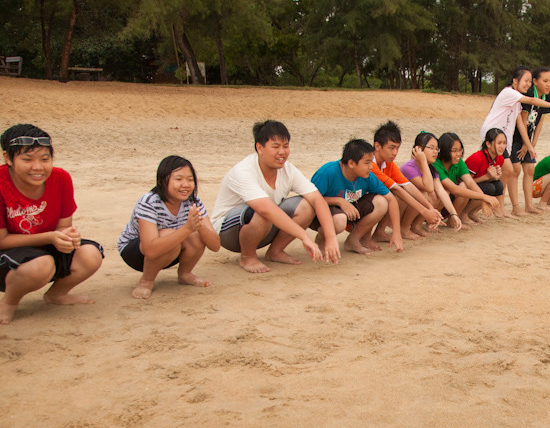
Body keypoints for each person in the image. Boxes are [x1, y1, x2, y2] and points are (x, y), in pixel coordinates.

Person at [0, 124, 103, 324]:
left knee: (90, 254)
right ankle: (9, 303)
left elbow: (63, 226)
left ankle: (57, 295)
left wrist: (67, 236)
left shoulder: (61, 178)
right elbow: (1, 240)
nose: (38, 167)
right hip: (8, 255)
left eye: (45, 159)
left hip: (44, 248)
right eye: (27, 159)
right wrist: (49, 237)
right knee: (41, 264)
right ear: (8, 158)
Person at [211, 120, 337, 273]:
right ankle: (248, 257)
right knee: (263, 212)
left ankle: (275, 251)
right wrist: (304, 236)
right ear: (260, 148)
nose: (282, 152)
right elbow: (265, 209)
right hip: (228, 233)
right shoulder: (243, 171)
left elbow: (317, 199)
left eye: (286, 146)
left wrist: (331, 238)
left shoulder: (288, 170)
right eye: (275, 146)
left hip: (264, 227)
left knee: (307, 206)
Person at [118, 155, 220, 299]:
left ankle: (185, 274)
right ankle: (146, 281)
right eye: (178, 179)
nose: (185, 184)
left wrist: (199, 224)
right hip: (136, 252)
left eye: (190, 180)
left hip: (170, 249)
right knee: (170, 234)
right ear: (161, 181)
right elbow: (150, 249)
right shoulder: (149, 202)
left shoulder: (193, 202)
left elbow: (215, 246)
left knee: (195, 236)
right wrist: (187, 228)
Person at [480, 66, 550, 216]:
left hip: (504, 138)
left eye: (528, 82)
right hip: (492, 135)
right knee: (506, 170)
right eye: (525, 81)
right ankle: (497, 206)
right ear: (515, 81)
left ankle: (498, 206)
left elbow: (519, 123)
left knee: (505, 170)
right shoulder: (509, 92)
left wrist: (530, 145)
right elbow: (531, 101)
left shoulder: (517, 99)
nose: (527, 84)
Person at [370, 120, 442, 250]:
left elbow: (407, 185)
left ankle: (379, 232)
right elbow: (398, 189)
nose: (395, 153)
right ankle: (363, 237)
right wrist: (425, 211)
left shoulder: (389, 164)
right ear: (377, 146)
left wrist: (430, 208)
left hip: (373, 200)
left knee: (400, 194)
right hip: (358, 201)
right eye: (391, 148)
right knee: (391, 196)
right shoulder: (370, 164)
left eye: (397, 148)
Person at [310, 139, 390, 255]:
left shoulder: (367, 175)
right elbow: (310, 199)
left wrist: (397, 233)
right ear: (352, 163)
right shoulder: (327, 172)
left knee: (382, 202)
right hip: (323, 213)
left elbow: (390, 197)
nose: (371, 167)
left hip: (350, 211)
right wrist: (339, 201)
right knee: (339, 220)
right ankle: (321, 240)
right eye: (367, 163)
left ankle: (353, 240)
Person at [511, 67, 550, 214]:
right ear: (535, 82)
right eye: (545, 81)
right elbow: (522, 121)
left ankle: (529, 205)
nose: (548, 84)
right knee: (515, 170)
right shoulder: (529, 94)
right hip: (514, 137)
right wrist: (526, 144)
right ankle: (515, 207)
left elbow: (540, 122)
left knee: (530, 169)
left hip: (527, 139)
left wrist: (533, 143)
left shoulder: (546, 97)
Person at [398, 131, 461, 233]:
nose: (435, 152)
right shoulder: (408, 167)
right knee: (424, 194)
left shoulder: (431, 169)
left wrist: (454, 214)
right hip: (400, 208)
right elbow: (428, 187)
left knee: (443, 193)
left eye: (437, 149)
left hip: (417, 208)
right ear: (418, 149)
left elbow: (441, 193)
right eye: (431, 148)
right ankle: (404, 228)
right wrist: (423, 161)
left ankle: (417, 225)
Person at [434, 132, 497, 225]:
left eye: (460, 150)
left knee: (465, 185)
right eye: (454, 150)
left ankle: (452, 221)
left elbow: (470, 182)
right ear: (444, 151)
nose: (458, 154)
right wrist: (483, 197)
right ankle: (432, 221)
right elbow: (453, 189)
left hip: (449, 204)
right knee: (447, 190)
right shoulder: (436, 164)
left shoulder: (458, 162)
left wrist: (484, 200)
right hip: (436, 205)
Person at [465, 128, 507, 215]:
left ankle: (473, 212)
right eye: (499, 143)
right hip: (462, 191)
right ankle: (464, 213)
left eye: (504, 143)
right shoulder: (477, 158)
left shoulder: (500, 159)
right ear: (488, 144)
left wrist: (494, 177)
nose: (502, 146)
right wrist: (487, 177)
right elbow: (465, 183)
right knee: (489, 188)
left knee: (498, 185)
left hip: (477, 187)